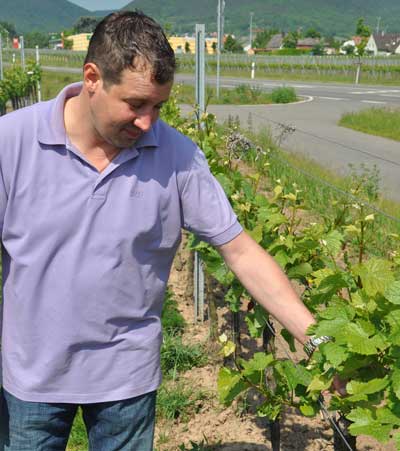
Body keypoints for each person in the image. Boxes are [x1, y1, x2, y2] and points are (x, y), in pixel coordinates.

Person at [0, 11, 320, 451]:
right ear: (92, 78)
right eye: (135, 104)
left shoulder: (177, 156)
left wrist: (317, 339)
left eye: (159, 106)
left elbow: (240, 251)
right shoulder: (12, 142)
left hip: (126, 381)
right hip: (31, 378)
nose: (148, 122)